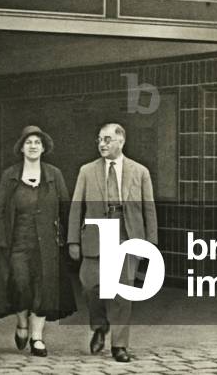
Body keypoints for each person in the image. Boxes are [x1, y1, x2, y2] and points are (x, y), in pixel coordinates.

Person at [67, 122, 158, 363]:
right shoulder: (87, 171)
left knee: (121, 291)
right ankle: (99, 325)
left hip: (126, 232)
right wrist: (73, 240)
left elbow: (150, 210)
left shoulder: (140, 172)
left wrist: (151, 243)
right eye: (99, 139)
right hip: (97, 232)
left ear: (121, 141)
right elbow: (76, 207)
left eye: (107, 139)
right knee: (90, 285)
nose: (102, 144)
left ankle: (119, 345)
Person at [0, 125, 76, 357]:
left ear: (44, 148)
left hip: (47, 245)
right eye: (29, 142)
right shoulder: (10, 175)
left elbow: (66, 209)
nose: (33, 146)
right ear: (22, 148)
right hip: (18, 243)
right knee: (21, 285)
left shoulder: (54, 175)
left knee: (43, 290)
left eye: (37, 142)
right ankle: (22, 324)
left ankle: (37, 338)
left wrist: (72, 238)